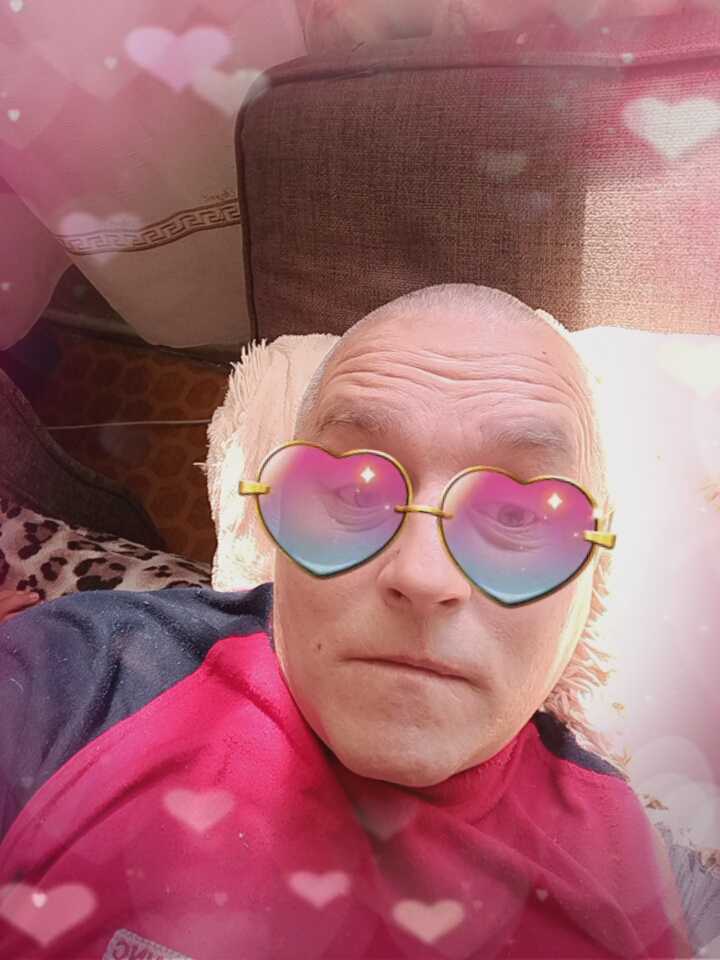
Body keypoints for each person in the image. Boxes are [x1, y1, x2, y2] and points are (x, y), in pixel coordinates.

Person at [0, 284, 693, 959]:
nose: (422, 576)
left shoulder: (626, 871)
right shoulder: (79, 679)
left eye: (517, 514)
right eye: (354, 491)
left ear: (593, 567)